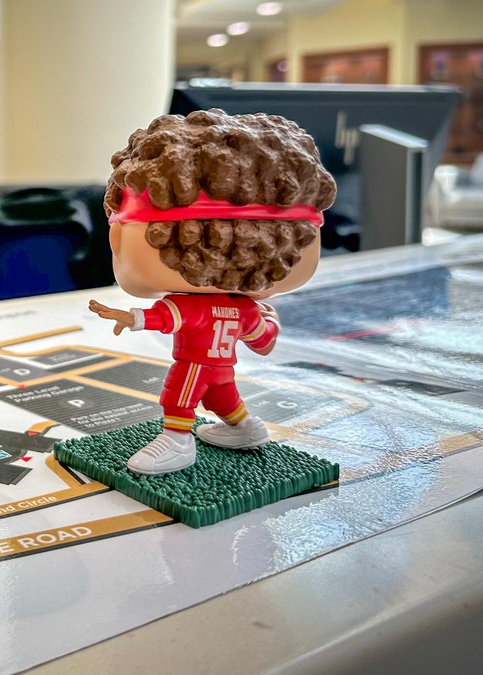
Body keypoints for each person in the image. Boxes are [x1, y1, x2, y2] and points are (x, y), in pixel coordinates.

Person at [87, 109, 336, 474]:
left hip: (195, 363)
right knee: (224, 396)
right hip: (223, 367)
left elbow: (164, 317)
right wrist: (269, 323)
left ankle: (177, 440)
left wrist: (128, 317)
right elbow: (261, 337)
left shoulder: (196, 311)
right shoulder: (245, 310)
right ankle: (246, 429)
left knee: (178, 395)